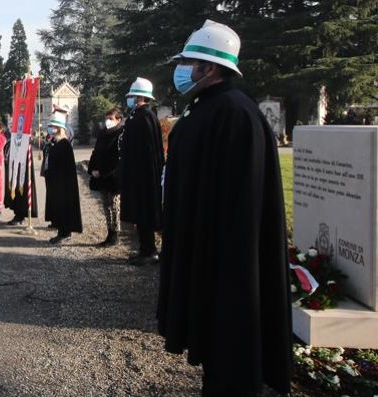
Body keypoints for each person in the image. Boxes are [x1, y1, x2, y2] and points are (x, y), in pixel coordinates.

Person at [158, 20, 290, 395]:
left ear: (210, 67)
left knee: (230, 347)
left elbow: (241, 201)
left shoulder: (235, 113)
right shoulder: (207, 106)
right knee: (215, 351)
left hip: (225, 259)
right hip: (205, 247)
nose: (182, 70)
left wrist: (222, 260)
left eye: (188, 62)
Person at [119, 77, 165, 265]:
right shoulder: (138, 117)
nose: (129, 99)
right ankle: (144, 248)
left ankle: (149, 251)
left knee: (144, 213)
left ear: (140, 97)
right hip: (137, 174)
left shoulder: (145, 118)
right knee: (139, 213)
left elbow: (146, 152)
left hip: (143, 176)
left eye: (132, 96)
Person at [43, 108, 82, 244]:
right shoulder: (56, 143)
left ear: (59, 128)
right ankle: (61, 231)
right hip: (56, 182)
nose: (50, 129)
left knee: (64, 208)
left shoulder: (64, 145)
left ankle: (65, 232)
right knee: (57, 207)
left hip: (63, 184)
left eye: (52, 127)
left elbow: (65, 168)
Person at [88, 108, 125, 248]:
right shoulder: (103, 133)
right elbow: (96, 152)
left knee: (114, 205)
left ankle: (115, 234)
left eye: (111, 118)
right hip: (100, 176)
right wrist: (92, 169)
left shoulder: (121, 134)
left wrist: (104, 172)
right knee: (106, 206)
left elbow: (117, 159)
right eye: (107, 118)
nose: (108, 121)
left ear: (118, 119)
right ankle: (109, 233)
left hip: (113, 177)